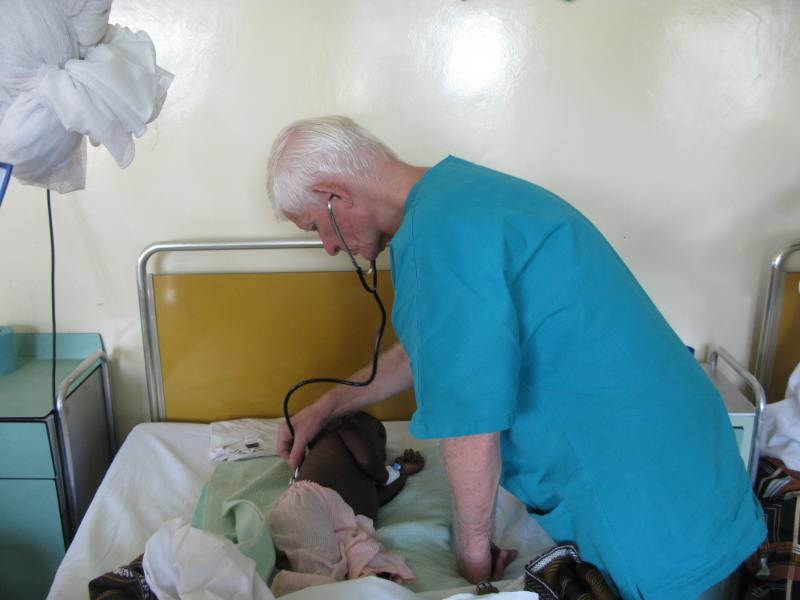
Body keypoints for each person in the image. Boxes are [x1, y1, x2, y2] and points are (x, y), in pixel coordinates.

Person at [265, 115, 766, 599]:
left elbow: (470, 428)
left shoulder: (438, 235)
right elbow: (440, 351)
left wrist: (472, 560)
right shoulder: (461, 193)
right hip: (691, 454)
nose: (328, 247)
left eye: (315, 227)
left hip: (645, 499)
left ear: (334, 196)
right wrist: (328, 406)